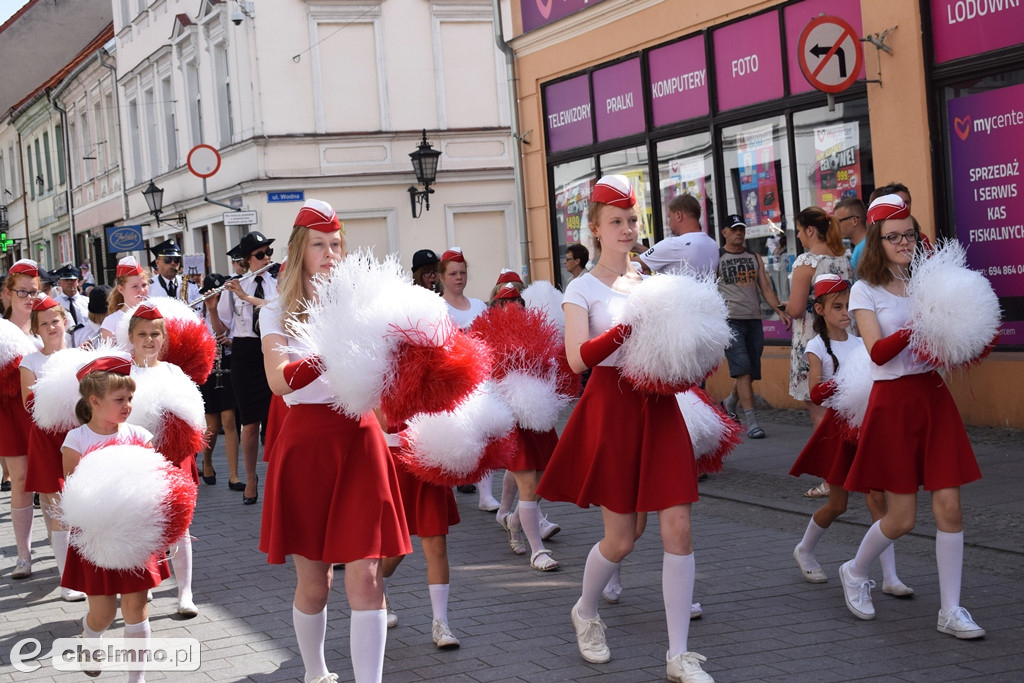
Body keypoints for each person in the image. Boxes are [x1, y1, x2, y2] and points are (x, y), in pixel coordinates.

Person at [537, 175, 713, 683]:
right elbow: (575, 360)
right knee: (622, 539)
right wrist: (628, 325)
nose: (626, 228)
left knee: (678, 526)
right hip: (611, 409)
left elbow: (678, 345)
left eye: (632, 220)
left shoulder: (654, 282)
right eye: (615, 221)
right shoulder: (581, 288)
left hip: (659, 408)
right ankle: (586, 611)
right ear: (594, 228)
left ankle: (679, 655)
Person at [259, 199, 411, 682]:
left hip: (359, 439)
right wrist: (333, 342)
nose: (329, 254)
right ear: (300, 251)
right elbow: (281, 382)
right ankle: (316, 673)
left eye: (336, 244)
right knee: (316, 580)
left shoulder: (363, 306)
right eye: (319, 245)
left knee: (366, 574)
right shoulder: (277, 312)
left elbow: (384, 377)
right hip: (306, 446)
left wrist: (403, 423)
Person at [838, 194, 984, 639]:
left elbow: (953, 336)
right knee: (901, 518)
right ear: (877, 241)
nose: (903, 242)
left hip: (932, 396)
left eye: (909, 234)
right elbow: (878, 351)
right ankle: (855, 570)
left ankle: (951, 611)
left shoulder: (928, 279)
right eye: (892, 236)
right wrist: (918, 323)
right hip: (893, 402)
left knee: (950, 506)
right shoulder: (865, 290)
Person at [788, 275, 912, 596]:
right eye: (837, 306)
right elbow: (815, 393)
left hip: (867, 426)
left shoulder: (862, 342)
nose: (845, 313)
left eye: (848, 306)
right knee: (838, 505)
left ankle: (890, 577)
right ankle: (805, 548)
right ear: (820, 309)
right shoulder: (817, 347)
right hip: (840, 429)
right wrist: (847, 382)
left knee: (877, 498)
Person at [60, 352, 168, 683]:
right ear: (94, 401)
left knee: (136, 608)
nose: (128, 405)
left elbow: (156, 484)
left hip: (136, 535)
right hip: (97, 538)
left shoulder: (139, 436)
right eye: (119, 399)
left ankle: (137, 679)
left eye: (130, 398)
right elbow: (72, 496)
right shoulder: (76, 440)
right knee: (103, 613)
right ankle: (90, 636)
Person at [126, 303, 201, 617]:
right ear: (131, 337)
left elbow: (195, 416)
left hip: (174, 457)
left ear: (164, 337)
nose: (149, 340)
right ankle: (149, 579)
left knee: (180, 526)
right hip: (137, 459)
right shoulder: (122, 371)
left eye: (155, 334)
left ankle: (185, 593)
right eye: (142, 334)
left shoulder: (175, 372)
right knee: (143, 521)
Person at [19, 294, 85, 600]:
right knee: (58, 506)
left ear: (65, 322)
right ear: (36, 329)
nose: (51, 328)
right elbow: (29, 403)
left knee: (83, 503)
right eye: (44, 324)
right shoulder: (30, 361)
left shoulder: (80, 356)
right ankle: (66, 580)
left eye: (55, 321)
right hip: (46, 438)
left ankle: (89, 568)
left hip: (79, 435)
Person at [214, 231, 277, 505]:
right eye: (260, 255)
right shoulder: (235, 286)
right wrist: (212, 308)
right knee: (249, 423)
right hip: (245, 352)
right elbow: (221, 330)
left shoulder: (278, 282)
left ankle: (277, 477)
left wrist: (244, 295)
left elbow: (276, 309)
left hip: (272, 348)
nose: (267, 259)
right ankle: (250, 477)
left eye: (268, 253)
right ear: (247, 260)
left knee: (276, 420)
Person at [717, 214, 791, 439]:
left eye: (741, 229)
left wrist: (779, 310)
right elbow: (709, 289)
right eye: (734, 229)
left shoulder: (754, 257)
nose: (739, 233)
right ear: (725, 233)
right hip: (730, 320)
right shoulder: (717, 257)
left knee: (748, 373)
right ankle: (752, 423)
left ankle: (729, 403)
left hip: (754, 320)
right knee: (743, 370)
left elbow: (766, 289)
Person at [438, 247, 498, 510]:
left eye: (462, 273)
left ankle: (486, 496)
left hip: (481, 377)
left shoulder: (478, 305)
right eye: (453, 273)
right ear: (442, 277)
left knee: (485, 433)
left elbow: (491, 338)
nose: (459, 278)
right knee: (454, 437)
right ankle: (446, 489)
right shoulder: (436, 307)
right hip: (452, 380)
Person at [784, 207, 853, 425]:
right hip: (843, 338)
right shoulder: (843, 259)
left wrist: (784, 307)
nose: (798, 235)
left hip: (813, 340)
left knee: (818, 406)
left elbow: (796, 309)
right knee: (842, 406)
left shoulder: (807, 262)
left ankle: (828, 456)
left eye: (799, 230)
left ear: (810, 230)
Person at [2, 259, 43, 580]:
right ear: (6, 294)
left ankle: (66, 551)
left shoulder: (48, 324)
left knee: (55, 482)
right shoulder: (2, 332)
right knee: (20, 480)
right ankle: (24, 556)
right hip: (11, 411)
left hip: (46, 413)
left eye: (34, 292)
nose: (29, 298)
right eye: (21, 292)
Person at [197, 273, 240, 488]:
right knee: (212, 425)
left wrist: (213, 310)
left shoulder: (228, 305)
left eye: (219, 292)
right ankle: (206, 461)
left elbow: (223, 331)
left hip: (226, 367)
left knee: (230, 419)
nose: (216, 296)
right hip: (207, 369)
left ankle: (234, 475)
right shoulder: (198, 311)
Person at [638, 194, 719, 276]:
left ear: (678, 216)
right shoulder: (713, 245)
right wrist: (639, 248)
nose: (668, 223)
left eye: (669, 217)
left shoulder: (673, 245)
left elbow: (632, 264)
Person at [101, 256, 151, 342]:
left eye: (144, 285)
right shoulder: (111, 322)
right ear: (121, 289)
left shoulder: (155, 313)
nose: (142, 290)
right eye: (135, 286)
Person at [149, 238, 199, 303]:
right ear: (157, 262)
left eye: (176, 259)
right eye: (168, 260)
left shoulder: (191, 286)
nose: (173, 263)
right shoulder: (149, 287)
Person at [53, 264, 90, 347]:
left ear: (77, 282)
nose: (70, 282)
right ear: (60, 282)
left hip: (86, 346)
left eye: (72, 280)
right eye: (66, 280)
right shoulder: (54, 304)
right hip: (65, 348)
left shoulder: (87, 302)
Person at [834, 198, 868, 270]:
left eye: (838, 221)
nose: (836, 226)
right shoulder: (868, 243)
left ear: (854, 221)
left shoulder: (863, 249)